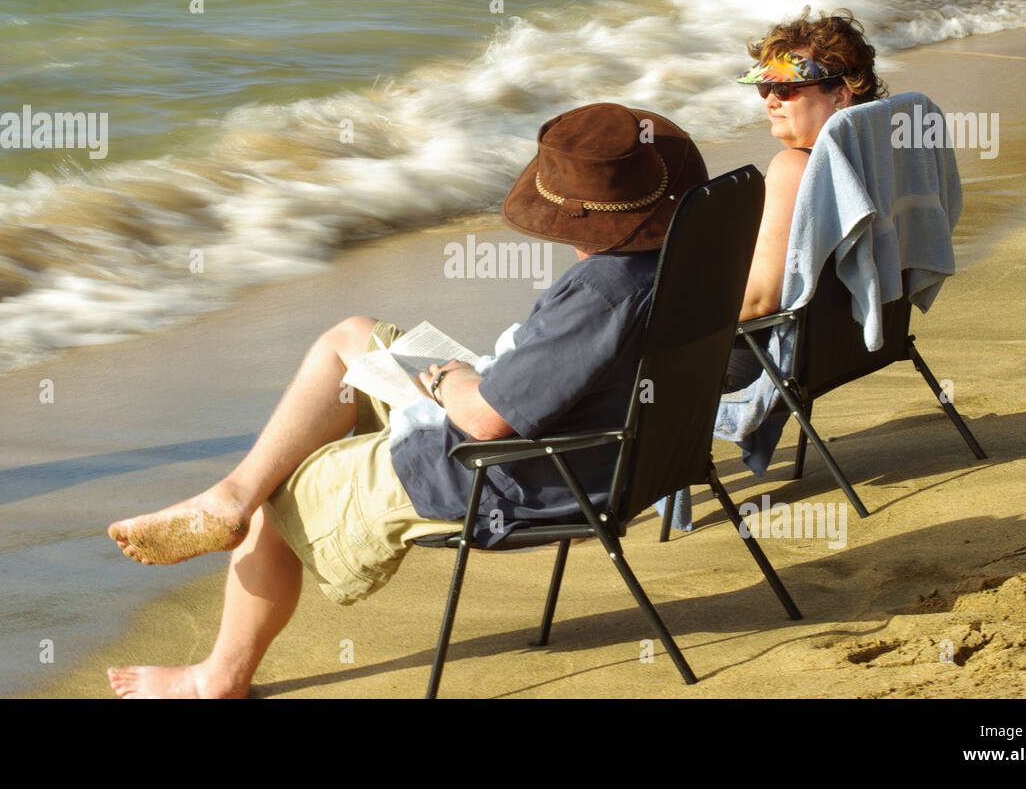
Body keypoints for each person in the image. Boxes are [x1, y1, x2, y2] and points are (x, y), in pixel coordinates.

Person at [104, 102, 708, 698]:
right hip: (613, 448)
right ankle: (228, 496)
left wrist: (450, 380)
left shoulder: (602, 295)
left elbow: (484, 419)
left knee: (282, 489)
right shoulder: (684, 256)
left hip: (508, 474)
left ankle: (218, 679)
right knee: (350, 337)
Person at [721, 8, 888, 392]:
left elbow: (761, 301)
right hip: (847, 347)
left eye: (785, 88)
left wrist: (669, 319)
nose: (770, 101)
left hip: (758, 356)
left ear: (841, 94)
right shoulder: (875, 162)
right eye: (764, 88)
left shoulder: (794, 168)